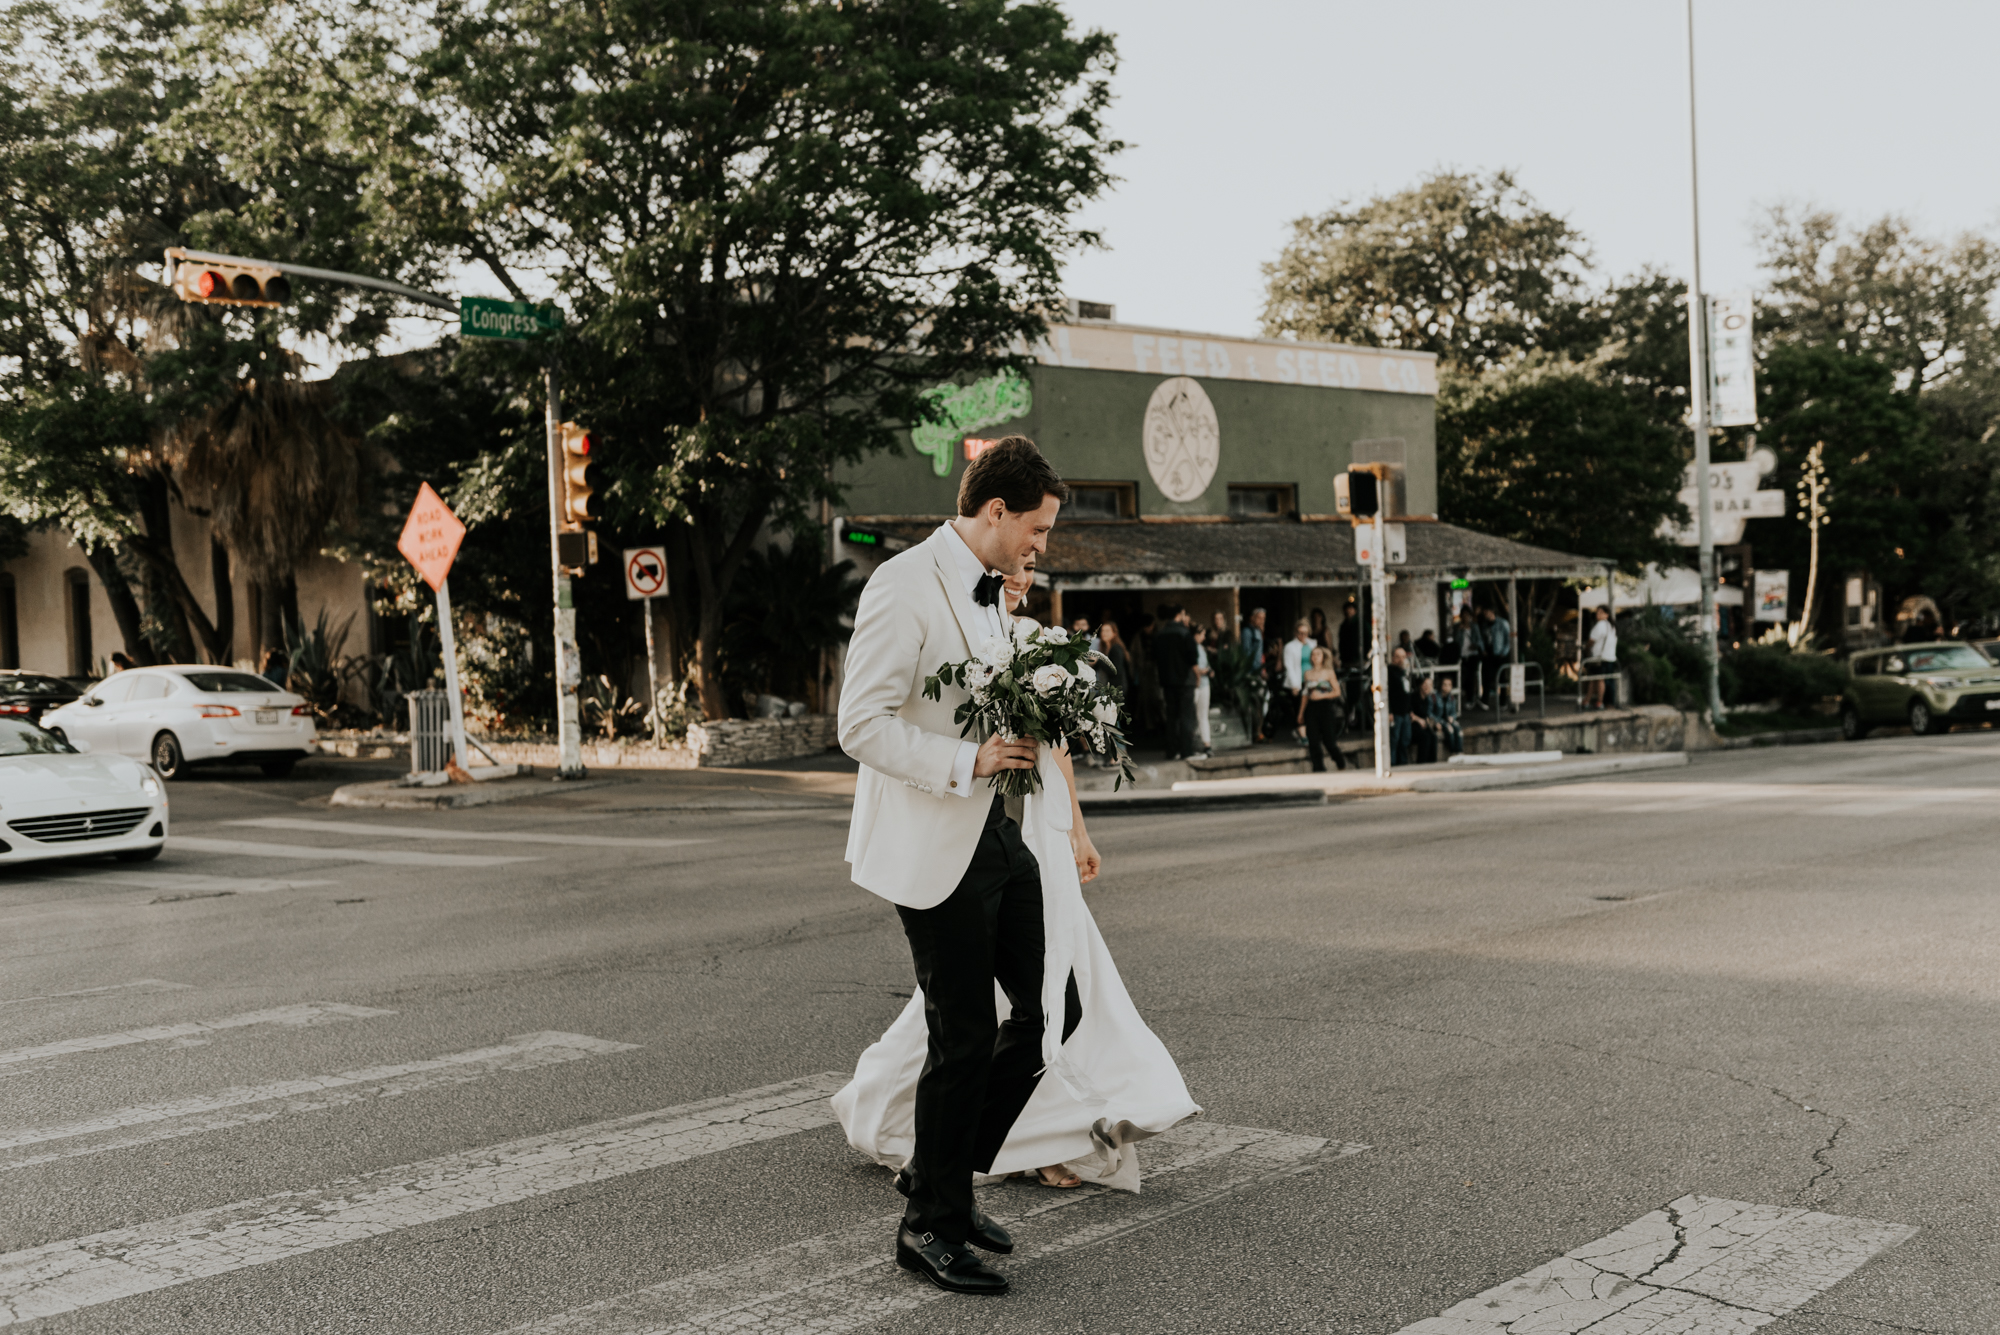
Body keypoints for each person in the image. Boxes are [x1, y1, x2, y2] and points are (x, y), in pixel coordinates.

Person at [832, 436, 1198, 1296]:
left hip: (998, 834)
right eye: (1036, 528)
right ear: (994, 511)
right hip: (933, 839)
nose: (1042, 545)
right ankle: (929, 1225)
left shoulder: (997, 595)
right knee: (961, 1035)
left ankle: (940, 1178)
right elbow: (859, 724)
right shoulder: (902, 584)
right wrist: (969, 760)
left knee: (1053, 1005)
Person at [1151, 605, 1198, 761]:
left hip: (1167, 681)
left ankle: (1172, 750)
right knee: (1186, 715)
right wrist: (1197, 676)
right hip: (1185, 681)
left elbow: (1153, 657)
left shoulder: (1159, 635)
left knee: (1171, 716)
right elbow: (1193, 658)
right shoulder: (1184, 633)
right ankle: (1187, 751)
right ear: (1180, 614)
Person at [1296, 646, 1347, 772]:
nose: (1315, 657)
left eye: (1318, 654)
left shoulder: (1329, 672)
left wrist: (1322, 695)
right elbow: (1305, 694)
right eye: (1313, 654)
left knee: (1329, 740)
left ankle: (1340, 763)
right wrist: (1301, 713)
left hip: (1326, 707)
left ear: (1323, 657)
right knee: (1313, 740)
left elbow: (1337, 692)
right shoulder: (1308, 673)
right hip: (1312, 708)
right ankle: (1318, 768)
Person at [1280, 620, 1315, 747]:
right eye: (1300, 633)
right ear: (1296, 633)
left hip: (1311, 681)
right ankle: (1303, 735)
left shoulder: (1312, 644)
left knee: (1310, 709)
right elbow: (1289, 667)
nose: (1302, 636)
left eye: (1305, 633)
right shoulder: (1290, 647)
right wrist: (1294, 685)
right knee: (1299, 708)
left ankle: (1307, 732)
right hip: (1297, 681)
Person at [1585, 606, 1618, 709]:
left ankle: (1599, 702)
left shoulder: (1600, 625)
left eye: (1600, 612)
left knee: (1598, 679)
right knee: (1599, 680)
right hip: (1610, 657)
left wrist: (1586, 648)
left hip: (1600, 657)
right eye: (1597, 612)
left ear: (1606, 614)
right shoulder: (1611, 626)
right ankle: (1589, 700)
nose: (1597, 614)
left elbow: (1591, 640)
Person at [1387, 646, 1415, 766]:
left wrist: (1410, 710)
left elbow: (1408, 692)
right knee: (1394, 739)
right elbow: (1387, 693)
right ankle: (1392, 762)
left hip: (1405, 712)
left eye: (1403, 657)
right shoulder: (1389, 672)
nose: (1401, 659)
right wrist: (1389, 711)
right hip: (1396, 712)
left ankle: (1403, 762)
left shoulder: (1405, 672)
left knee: (1405, 739)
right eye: (1398, 656)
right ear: (1393, 657)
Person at [1454, 609, 1487, 710]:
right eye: (1463, 615)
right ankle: (1466, 697)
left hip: (1473, 654)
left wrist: (1479, 647)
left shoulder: (1474, 626)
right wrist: (1460, 630)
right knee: (1464, 676)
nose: (1465, 617)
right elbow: (1456, 641)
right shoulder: (1458, 627)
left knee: (1472, 676)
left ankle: (1471, 698)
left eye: (1467, 615)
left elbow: (1479, 639)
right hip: (1462, 655)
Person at [1190, 624, 1213, 757]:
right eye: (1202, 634)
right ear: (1196, 634)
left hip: (1204, 684)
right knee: (1193, 716)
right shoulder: (1191, 647)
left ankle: (1207, 744)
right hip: (1196, 684)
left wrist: (1209, 671)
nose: (1204, 638)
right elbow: (1192, 666)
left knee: (1203, 715)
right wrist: (1201, 672)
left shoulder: (1201, 648)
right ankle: (1194, 743)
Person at [1481, 607, 1511, 707]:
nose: (1485, 613)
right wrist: (1483, 649)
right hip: (1489, 654)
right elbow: (1483, 639)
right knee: (1487, 678)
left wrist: (1504, 652)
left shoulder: (1502, 623)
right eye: (1484, 612)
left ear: (1492, 611)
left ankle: (1503, 702)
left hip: (1500, 654)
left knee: (1502, 678)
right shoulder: (1485, 625)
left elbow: (1509, 638)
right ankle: (1485, 700)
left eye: (1487, 611)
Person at [1411, 675, 1439, 764]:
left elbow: (1427, 715)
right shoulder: (1414, 697)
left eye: (1429, 685)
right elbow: (1410, 713)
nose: (1427, 687)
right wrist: (1419, 720)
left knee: (1433, 736)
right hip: (1413, 724)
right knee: (1425, 737)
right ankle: (1421, 761)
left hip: (1423, 724)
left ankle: (1432, 761)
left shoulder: (1428, 700)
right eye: (1425, 684)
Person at [1436, 672, 1464, 756]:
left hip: (1449, 720)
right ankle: (1452, 751)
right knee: (1450, 730)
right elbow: (1432, 713)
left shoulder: (1451, 698)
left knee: (1459, 730)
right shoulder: (1435, 697)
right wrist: (1438, 722)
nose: (1447, 687)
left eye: (1449, 685)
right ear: (1441, 685)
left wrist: (1452, 717)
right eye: (1445, 684)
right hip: (1440, 720)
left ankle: (1459, 751)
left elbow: (1454, 713)